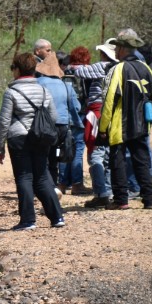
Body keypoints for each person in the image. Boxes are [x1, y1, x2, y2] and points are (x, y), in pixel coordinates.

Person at [0, 52, 65, 230]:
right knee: (41, 177)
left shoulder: (11, 92)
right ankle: (57, 217)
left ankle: (28, 220)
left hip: (19, 138)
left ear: (17, 69)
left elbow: (4, 121)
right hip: (41, 138)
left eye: (13, 68)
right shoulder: (43, 90)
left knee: (24, 177)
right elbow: (54, 116)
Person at [98, 28, 152, 210]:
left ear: (123, 49)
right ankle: (150, 200)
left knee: (118, 162)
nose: (115, 51)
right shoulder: (146, 69)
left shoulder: (118, 69)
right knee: (141, 162)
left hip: (119, 125)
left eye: (116, 47)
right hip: (141, 125)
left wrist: (102, 128)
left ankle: (121, 200)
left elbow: (109, 101)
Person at [74, 40, 118, 207]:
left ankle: (101, 193)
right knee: (107, 153)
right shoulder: (118, 67)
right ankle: (108, 191)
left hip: (97, 112)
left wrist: (70, 66)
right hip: (111, 112)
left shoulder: (102, 66)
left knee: (95, 153)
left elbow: (80, 72)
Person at [36, 53, 82, 200]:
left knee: (42, 157)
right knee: (55, 158)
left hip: (44, 126)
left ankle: (44, 187)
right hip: (62, 127)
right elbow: (76, 107)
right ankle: (54, 187)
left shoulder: (38, 83)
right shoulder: (66, 85)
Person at [60, 46, 92, 195]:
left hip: (65, 114)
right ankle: (77, 184)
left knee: (65, 148)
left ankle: (62, 183)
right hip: (80, 113)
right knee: (78, 148)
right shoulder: (87, 72)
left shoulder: (64, 71)